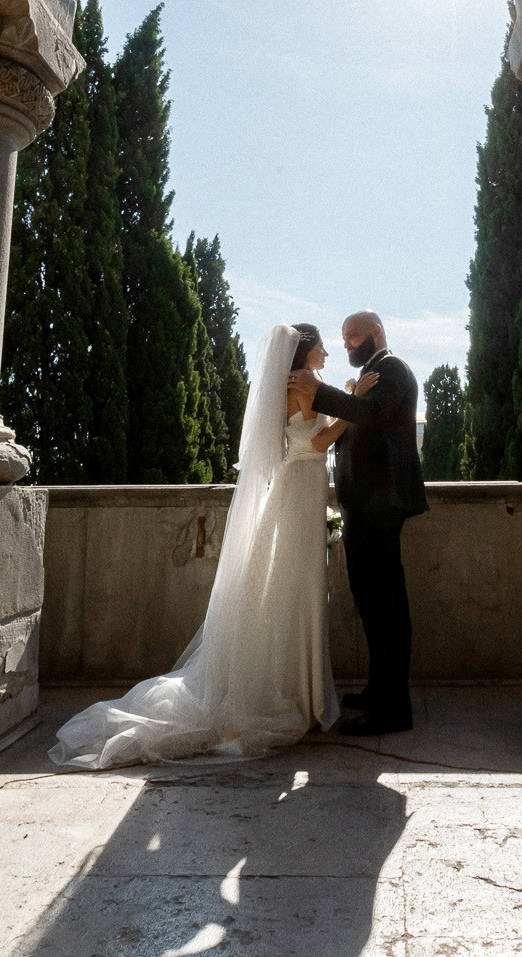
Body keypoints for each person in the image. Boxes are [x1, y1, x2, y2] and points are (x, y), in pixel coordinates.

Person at [48, 323, 366, 767]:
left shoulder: (289, 385)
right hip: (301, 487)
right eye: (322, 348)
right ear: (305, 351)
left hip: (298, 487)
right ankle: (298, 693)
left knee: (293, 588)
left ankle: (298, 687)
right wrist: (352, 407)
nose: (328, 353)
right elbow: (316, 441)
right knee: (299, 587)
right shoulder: (303, 387)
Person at [289, 311, 427, 735]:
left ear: (377, 333)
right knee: (371, 603)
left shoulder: (391, 369)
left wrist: (320, 392)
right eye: (344, 337)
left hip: (380, 507)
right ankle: (377, 690)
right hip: (363, 508)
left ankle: (393, 709)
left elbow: (375, 416)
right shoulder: (371, 372)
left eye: (353, 336)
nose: (346, 343)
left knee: (385, 606)